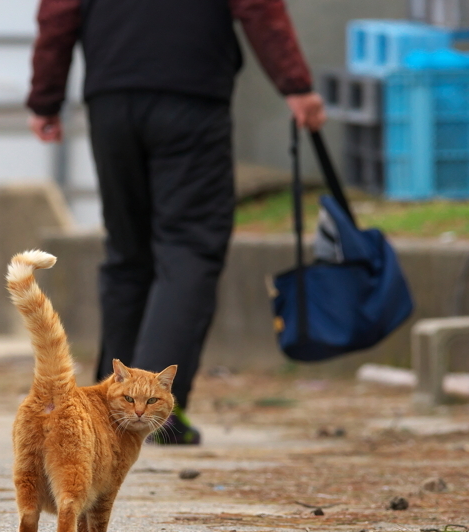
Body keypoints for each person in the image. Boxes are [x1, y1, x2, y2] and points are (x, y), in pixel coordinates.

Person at [26, 0, 326, 444]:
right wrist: (295, 84)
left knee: (128, 252)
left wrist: (46, 97)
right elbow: (260, 7)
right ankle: (154, 418)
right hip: (192, 99)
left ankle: (109, 416)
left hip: (113, 100)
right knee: (188, 248)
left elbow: (58, 14)